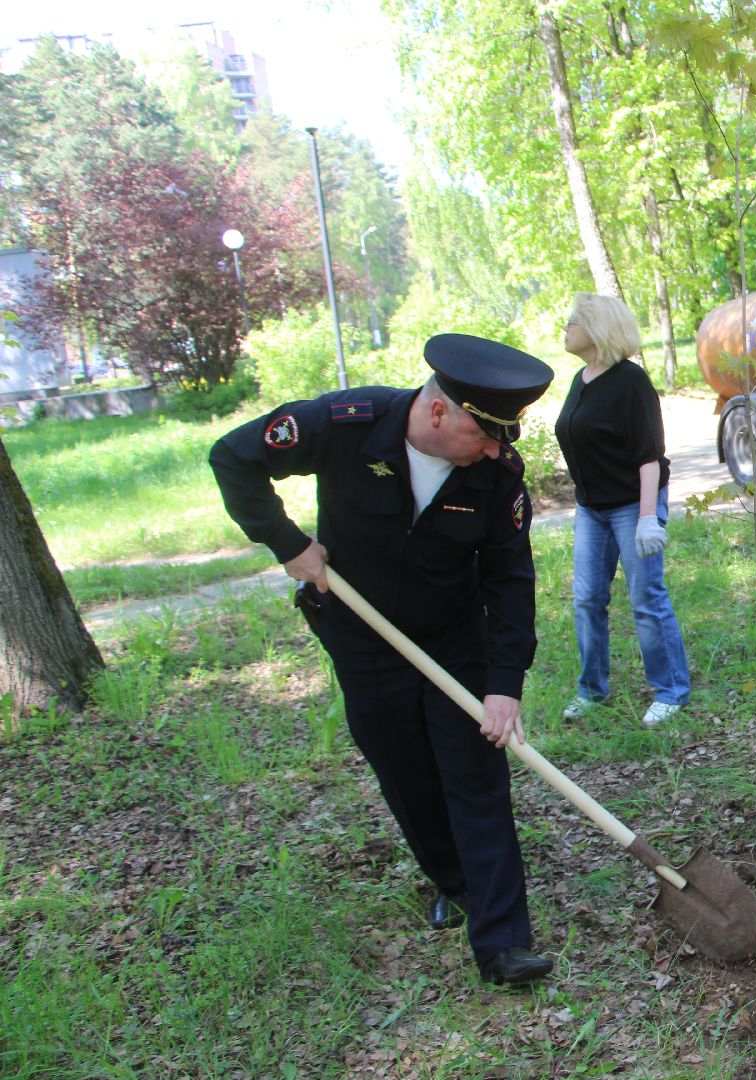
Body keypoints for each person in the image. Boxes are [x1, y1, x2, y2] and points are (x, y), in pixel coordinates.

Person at [209, 334, 557, 985]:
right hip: (365, 642)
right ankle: (453, 882)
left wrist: (505, 684)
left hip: (456, 643)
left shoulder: (496, 475)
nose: (494, 449)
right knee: (406, 774)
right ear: (437, 413)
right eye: (483, 435)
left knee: (477, 779)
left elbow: (511, 579)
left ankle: (503, 940)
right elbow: (232, 457)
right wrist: (287, 543)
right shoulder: (345, 426)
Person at [553, 293, 690, 727]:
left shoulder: (631, 382)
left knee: (645, 597)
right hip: (591, 508)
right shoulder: (581, 378)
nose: (566, 327)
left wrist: (649, 518)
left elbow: (649, 455)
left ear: (597, 329)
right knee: (587, 598)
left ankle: (671, 690)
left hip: (634, 505)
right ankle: (592, 690)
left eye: (573, 321)